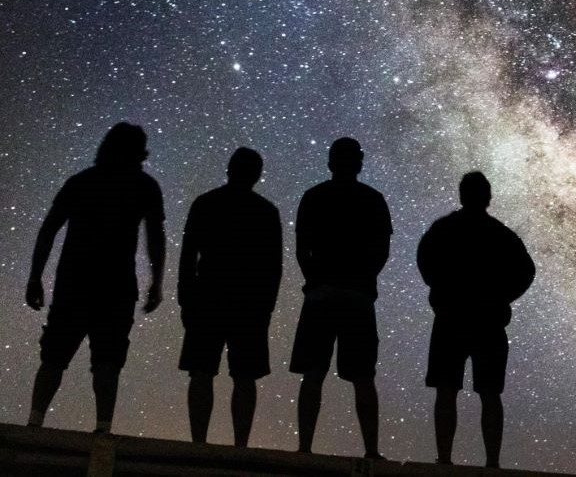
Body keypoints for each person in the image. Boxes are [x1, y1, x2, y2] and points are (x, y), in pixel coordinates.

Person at [24, 122, 166, 434]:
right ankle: (103, 429)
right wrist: (157, 281)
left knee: (55, 356)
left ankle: (35, 422)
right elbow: (155, 236)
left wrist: (35, 277)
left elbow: (49, 230)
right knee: (107, 361)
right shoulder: (144, 186)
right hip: (116, 287)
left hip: (74, 283)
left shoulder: (82, 182)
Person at [417, 171, 535, 468]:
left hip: (451, 318)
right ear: (488, 197)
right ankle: (492, 463)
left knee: (447, 390)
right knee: (489, 393)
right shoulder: (502, 235)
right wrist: (502, 298)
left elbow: (424, 259)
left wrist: (439, 290)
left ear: (462, 195)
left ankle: (445, 460)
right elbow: (526, 271)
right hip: (488, 321)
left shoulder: (443, 229)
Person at [289, 137, 392, 458]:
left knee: (313, 373)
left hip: (320, 296)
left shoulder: (314, 197)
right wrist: (364, 279)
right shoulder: (373, 200)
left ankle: (305, 448)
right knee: (363, 376)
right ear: (359, 163)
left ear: (330, 162)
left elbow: (301, 248)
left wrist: (314, 279)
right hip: (357, 297)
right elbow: (382, 251)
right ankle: (371, 451)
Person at [177, 147, 282, 447]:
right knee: (245, 376)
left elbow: (188, 256)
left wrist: (186, 298)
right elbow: (273, 267)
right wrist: (267, 306)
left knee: (201, 371)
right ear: (257, 175)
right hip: (249, 303)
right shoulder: (266, 211)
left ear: (229, 169)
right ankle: (240, 446)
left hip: (208, 297)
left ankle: (199, 443)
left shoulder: (206, 203)